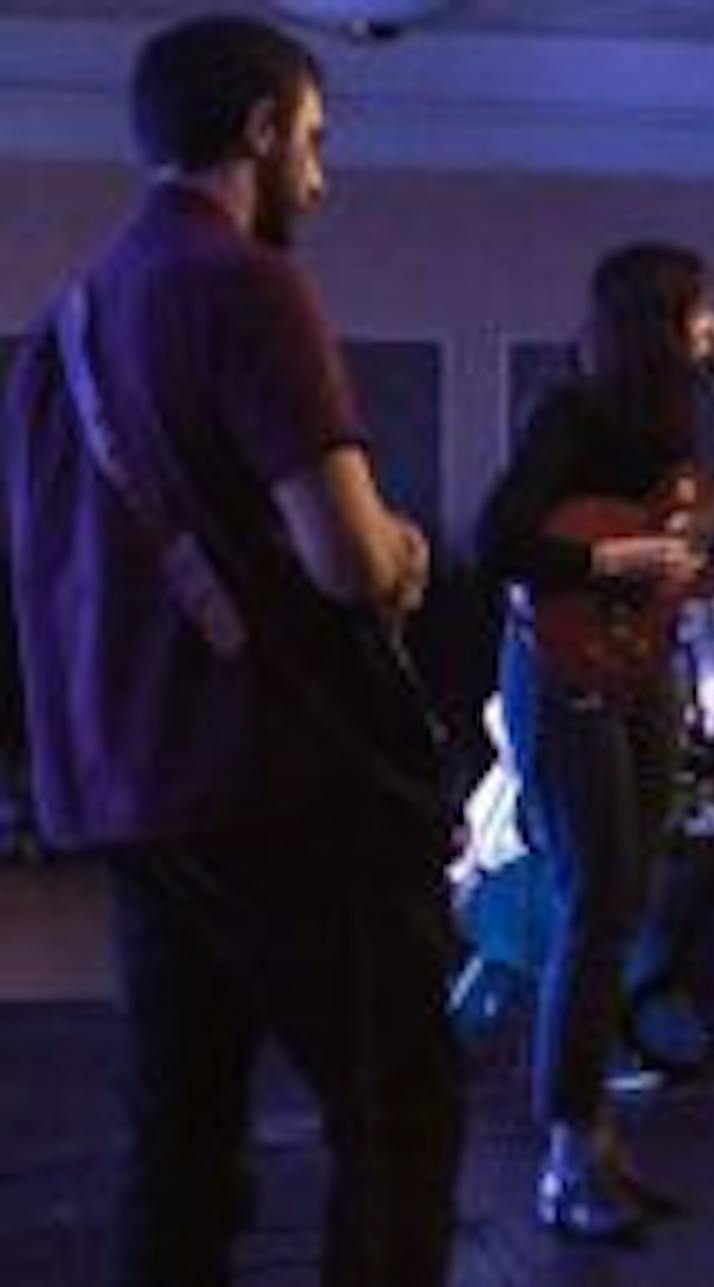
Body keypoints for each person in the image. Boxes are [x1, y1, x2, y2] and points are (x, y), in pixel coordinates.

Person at [0, 15, 461, 1285]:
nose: (319, 176)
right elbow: (349, 561)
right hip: (274, 787)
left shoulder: (66, 323)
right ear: (259, 127)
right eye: (312, 142)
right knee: (395, 1112)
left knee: (180, 1138)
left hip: (129, 798)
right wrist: (411, 548)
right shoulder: (244, 284)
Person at [476, 241, 714, 1241]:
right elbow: (498, 539)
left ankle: (599, 1139)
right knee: (593, 900)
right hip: (562, 666)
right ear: (659, 320)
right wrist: (623, 552)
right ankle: (569, 1151)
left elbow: (687, 573)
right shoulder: (568, 409)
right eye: (702, 308)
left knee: (626, 893)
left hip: (644, 665)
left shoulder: (680, 425)